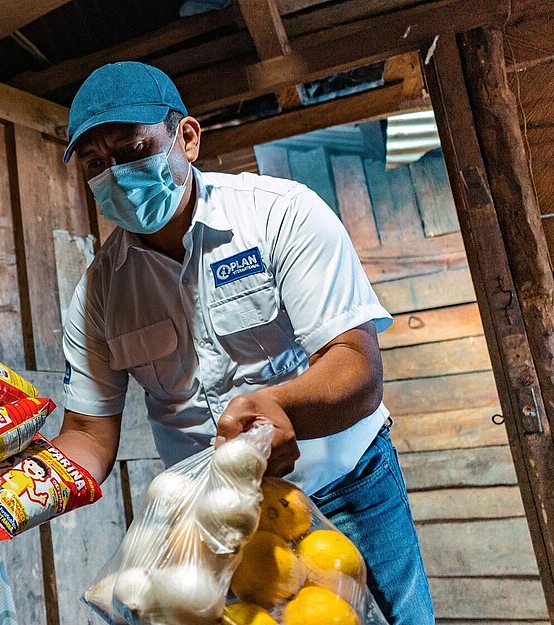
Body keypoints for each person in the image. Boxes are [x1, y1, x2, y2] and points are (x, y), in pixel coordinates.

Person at [51, 62, 434, 623]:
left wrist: (281, 405)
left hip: (344, 489)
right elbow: (87, 435)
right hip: (214, 521)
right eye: (96, 165)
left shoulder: (282, 214)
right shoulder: (99, 292)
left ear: (187, 137)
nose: (118, 175)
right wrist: (15, 490)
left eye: (134, 149)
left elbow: (357, 370)